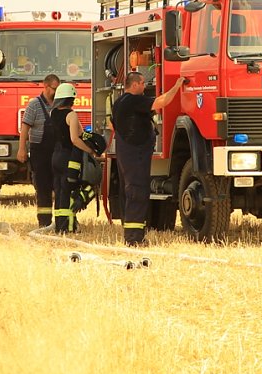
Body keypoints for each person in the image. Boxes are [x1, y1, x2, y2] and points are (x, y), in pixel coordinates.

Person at [111, 72, 186, 247]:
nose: (145, 86)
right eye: (143, 83)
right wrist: (177, 86)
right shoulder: (133, 100)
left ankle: (132, 235)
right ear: (135, 84)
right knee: (137, 193)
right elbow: (162, 102)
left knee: (131, 193)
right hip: (135, 154)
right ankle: (134, 238)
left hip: (127, 153)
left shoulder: (119, 102)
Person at [50, 82, 98, 233]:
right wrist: (90, 150)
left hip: (55, 157)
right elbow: (75, 139)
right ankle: (68, 228)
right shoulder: (71, 115)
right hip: (67, 158)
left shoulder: (53, 113)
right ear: (71, 100)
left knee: (59, 192)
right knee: (69, 191)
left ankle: (60, 226)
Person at [17, 74, 60, 227]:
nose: (56, 92)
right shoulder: (34, 105)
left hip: (56, 151)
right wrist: (21, 149)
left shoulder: (59, 104)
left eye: (57, 89)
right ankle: (44, 222)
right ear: (46, 86)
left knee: (60, 186)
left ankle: (62, 222)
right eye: (54, 89)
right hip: (39, 152)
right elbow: (25, 128)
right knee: (43, 187)